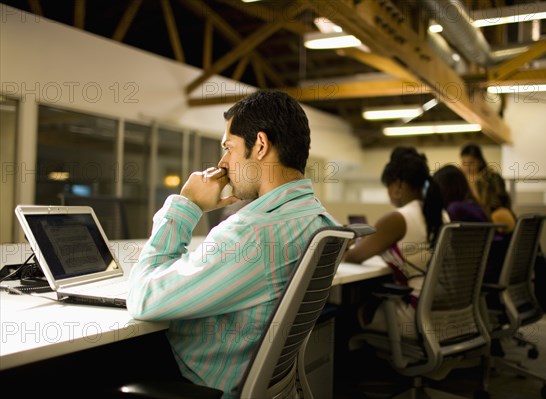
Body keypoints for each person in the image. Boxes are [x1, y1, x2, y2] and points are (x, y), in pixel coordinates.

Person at [126, 90, 339, 398]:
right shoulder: (316, 217)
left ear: (261, 145)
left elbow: (143, 300)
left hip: (207, 386)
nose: (223, 163)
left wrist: (186, 205)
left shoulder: (253, 232)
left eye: (229, 148)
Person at [344, 148, 447, 338]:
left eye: (388, 187)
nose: (389, 194)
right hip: (442, 309)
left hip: (414, 314)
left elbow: (353, 257)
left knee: (346, 311)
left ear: (398, 185)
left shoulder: (399, 218)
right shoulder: (441, 214)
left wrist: (342, 243)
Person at [460, 143, 516, 284]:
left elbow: (491, 206)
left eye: (471, 163)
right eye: (464, 163)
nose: (467, 167)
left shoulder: (490, 178)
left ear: (479, 161)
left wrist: (473, 187)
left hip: (497, 233)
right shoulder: (465, 180)